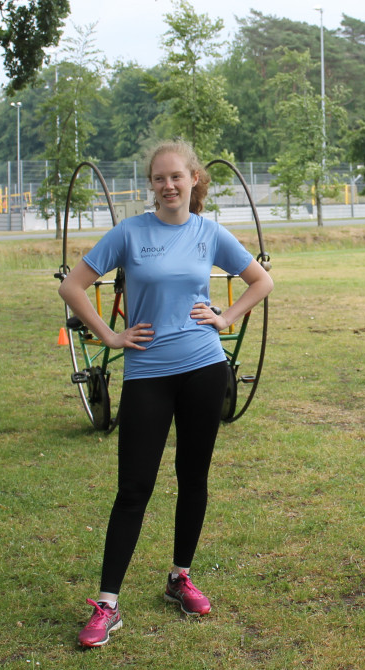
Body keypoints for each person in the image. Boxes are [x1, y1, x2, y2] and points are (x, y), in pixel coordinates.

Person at [58, 140, 273, 648]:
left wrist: (224, 317)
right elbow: (72, 286)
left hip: (203, 368)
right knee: (133, 488)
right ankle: (107, 604)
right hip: (147, 375)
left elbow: (260, 280)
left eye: (177, 177)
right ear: (150, 183)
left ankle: (180, 577)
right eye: (159, 178)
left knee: (192, 477)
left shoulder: (209, 232)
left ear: (194, 178)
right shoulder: (130, 233)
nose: (169, 185)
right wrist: (110, 336)